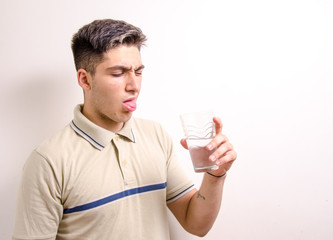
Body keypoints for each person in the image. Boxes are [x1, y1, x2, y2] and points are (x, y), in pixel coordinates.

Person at [13, 19, 237, 240]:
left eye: (138, 72)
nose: (134, 86)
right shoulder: (48, 161)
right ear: (85, 79)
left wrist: (216, 174)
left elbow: (196, 224)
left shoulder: (156, 135)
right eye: (118, 73)